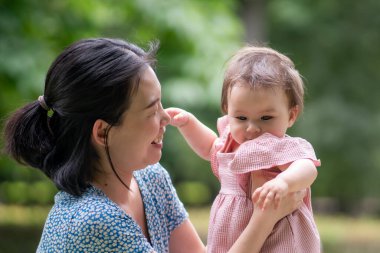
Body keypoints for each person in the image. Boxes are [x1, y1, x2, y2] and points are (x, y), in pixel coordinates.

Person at [3, 38, 305, 253]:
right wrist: (265, 218)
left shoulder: (150, 180)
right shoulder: (92, 222)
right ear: (103, 132)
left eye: (161, 104)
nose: (165, 117)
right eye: (151, 110)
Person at [166, 45, 321, 253]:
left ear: (291, 115)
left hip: (278, 237)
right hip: (233, 235)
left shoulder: (281, 146)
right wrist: (188, 124)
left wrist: (283, 182)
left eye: (266, 118)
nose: (252, 128)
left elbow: (307, 168)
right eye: (241, 118)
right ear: (227, 111)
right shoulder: (230, 141)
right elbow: (210, 147)